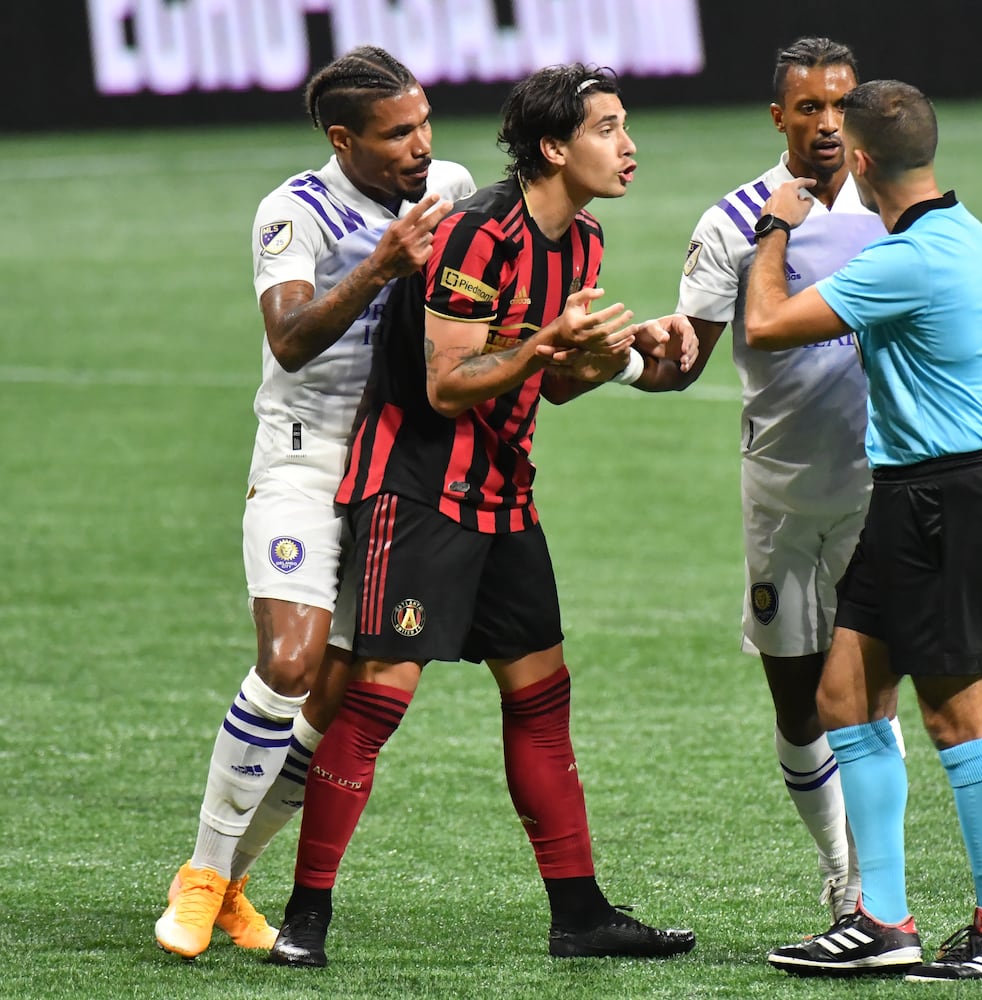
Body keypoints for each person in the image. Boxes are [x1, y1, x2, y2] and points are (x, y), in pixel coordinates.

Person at [266, 63, 699, 968]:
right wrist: (547, 343)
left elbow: (556, 385)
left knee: (541, 699)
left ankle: (578, 915)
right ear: (553, 147)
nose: (628, 146)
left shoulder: (581, 241)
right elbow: (446, 385)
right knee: (378, 703)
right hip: (418, 492)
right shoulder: (476, 236)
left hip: (503, 494)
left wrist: (622, 349)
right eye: (607, 128)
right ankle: (304, 918)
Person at [155, 45, 476, 960]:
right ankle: (201, 875)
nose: (420, 147)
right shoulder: (294, 210)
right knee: (290, 662)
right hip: (301, 459)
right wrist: (378, 268)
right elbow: (290, 338)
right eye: (396, 133)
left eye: (422, 124)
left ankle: (233, 882)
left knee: (334, 698)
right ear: (344, 139)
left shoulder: (446, 184)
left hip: (392, 473)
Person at [746, 80, 982, 981]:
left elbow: (764, 325)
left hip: (939, 502)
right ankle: (882, 919)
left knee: (958, 716)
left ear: (863, 161)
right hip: (924, 493)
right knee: (844, 697)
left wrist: (775, 226)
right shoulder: (980, 242)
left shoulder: (900, 260)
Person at [670, 36, 907, 926]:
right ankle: (839, 861)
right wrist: (616, 357)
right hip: (779, 493)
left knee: (871, 700)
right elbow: (683, 358)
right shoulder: (734, 219)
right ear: (778, 117)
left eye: (840, 105)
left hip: (878, 486)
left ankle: (870, 892)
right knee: (798, 703)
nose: (825, 124)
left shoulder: (897, 208)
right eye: (808, 108)